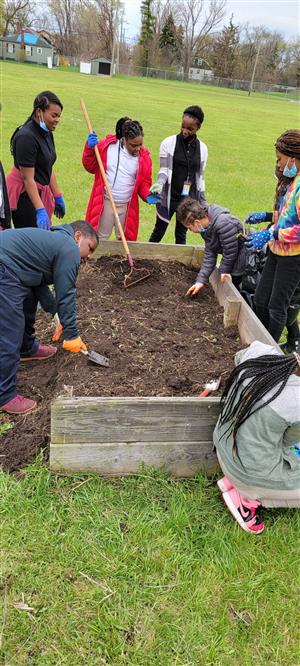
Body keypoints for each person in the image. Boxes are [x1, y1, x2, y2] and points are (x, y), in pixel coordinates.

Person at [0, 221, 98, 415]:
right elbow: (66, 293)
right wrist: (71, 335)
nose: (89, 256)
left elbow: (38, 282)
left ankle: (27, 349)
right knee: (10, 330)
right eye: (90, 248)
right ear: (78, 237)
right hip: (4, 268)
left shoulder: (54, 241)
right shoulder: (69, 248)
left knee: (27, 303)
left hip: (12, 268)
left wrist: (56, 313)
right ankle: (5, 395)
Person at [214, 341, 300, 534]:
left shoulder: (261, 352)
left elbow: (238, 357)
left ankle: (233, 481)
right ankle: (247, 500)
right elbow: (286, 444)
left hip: (223, 445)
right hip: (247, 472)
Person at [246, 129, 300, 342]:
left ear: (293, 157)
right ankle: (256, 340)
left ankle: (268, 351)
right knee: (260, 299)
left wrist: (272, 232)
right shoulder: (295, 182)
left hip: (293, 258)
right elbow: (290, 215)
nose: (278, 164)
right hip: (277, 251)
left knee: (277, 306)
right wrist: (267, 216)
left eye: (280, 159)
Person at [82, 117, 156, 241]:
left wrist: (147, 195)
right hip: (106, 202)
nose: (138, 149)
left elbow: (144, 183)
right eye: (133, 145)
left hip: (127, 205)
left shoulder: (144, 158)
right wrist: (89, 149)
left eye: (140, 145)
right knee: (98, 239)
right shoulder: (105, 147)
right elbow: (89, 166)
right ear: (124, 139)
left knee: (125, 242)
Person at [148, 105, 208, 245]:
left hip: (188, 200)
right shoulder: (168, 143)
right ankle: (144, 256)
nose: (185, 131)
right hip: (170, 196)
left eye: (190, 129)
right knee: (159, 230)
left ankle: (180, 264)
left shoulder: (203, 149)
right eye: (183, 126)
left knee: (181, 235)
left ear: (198, 128)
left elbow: (200, 177)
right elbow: (164, 169)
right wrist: (160, 183)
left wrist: (203, 201)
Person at [6, 90, 65, 230]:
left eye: (59, 116)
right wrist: (40, 210)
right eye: (54, 115)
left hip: (37, 190)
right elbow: (28, 179)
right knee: (31, 241)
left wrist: (57, 195)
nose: (58, 120)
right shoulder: (26, 138)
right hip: (24, 195)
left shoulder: (47, 133)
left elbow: (47, 167)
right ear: (39, 112)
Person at [176, 197, 246, 296]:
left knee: (237, 286)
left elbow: (230, 252)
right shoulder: (206, 228)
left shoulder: (224, 223)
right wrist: (200, 281)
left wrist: (224, 270)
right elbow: (210, 253)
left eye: (189, 228)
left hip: (245, 257)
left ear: (196, 223)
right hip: (235, 257)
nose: (190, 231)